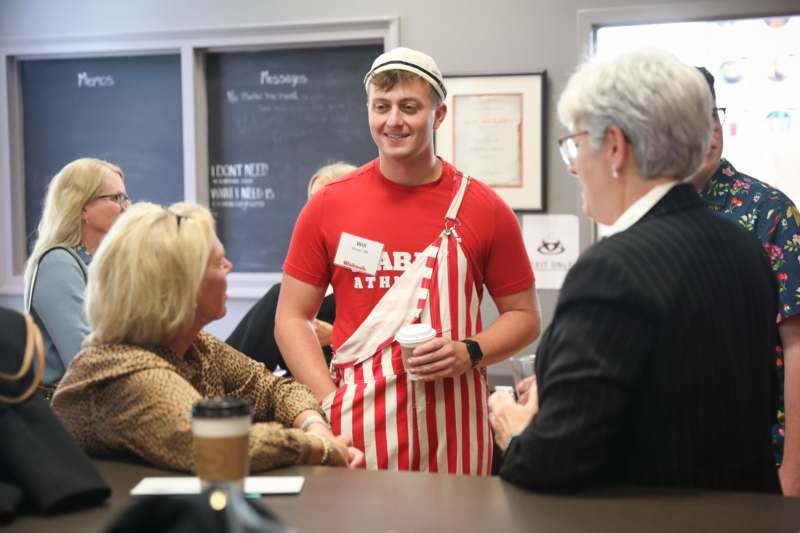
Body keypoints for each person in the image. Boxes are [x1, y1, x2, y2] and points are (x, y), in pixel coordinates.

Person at [488, 49, 780, 493]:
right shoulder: (743, 248)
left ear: (615, 147)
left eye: (577, 143)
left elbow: (551, 464)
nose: (574, 164)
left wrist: (514, 428)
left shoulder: (610, 270)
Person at [276, 47, 541, 474]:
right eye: (381, 107)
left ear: (438, 115)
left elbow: (525, 316)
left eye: (409, 107)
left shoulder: (483, 207)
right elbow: (291, 317)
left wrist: (470, 351)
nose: (393, 121)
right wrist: (328, 397)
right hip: (357, 430)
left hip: (456, 428)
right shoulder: (328, 206)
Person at [52, 202, 363, 472]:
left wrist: (315, 425)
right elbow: (217, 444)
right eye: (218, 262)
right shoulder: (124, 371)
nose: (229, 267)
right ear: (181, 286)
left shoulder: (199, 348)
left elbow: (272, 389)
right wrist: (319, 447)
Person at [687, 67, 800, 497]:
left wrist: (792, 474)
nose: (711, 131)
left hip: (756, 456)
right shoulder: (645, 218)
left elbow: (796, 346)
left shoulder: (769, 212)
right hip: (668, 457)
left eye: (713, 115)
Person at [227, 162, 356, 375]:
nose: (316, 212)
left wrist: (335, 335)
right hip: (308, 366)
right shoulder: (312, 259)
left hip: (350, 365)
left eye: (326, 202)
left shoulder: (376, 259)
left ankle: (223, 378)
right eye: (312, 203)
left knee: (280, 298)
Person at [23, 158, 129, 397]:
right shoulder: (57, 263)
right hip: (68, 405)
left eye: (126, 197)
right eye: (116, 198)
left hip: (104, 394)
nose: (126, 208)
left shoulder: (104, 263)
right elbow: (85, 359)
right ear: (82, 208)